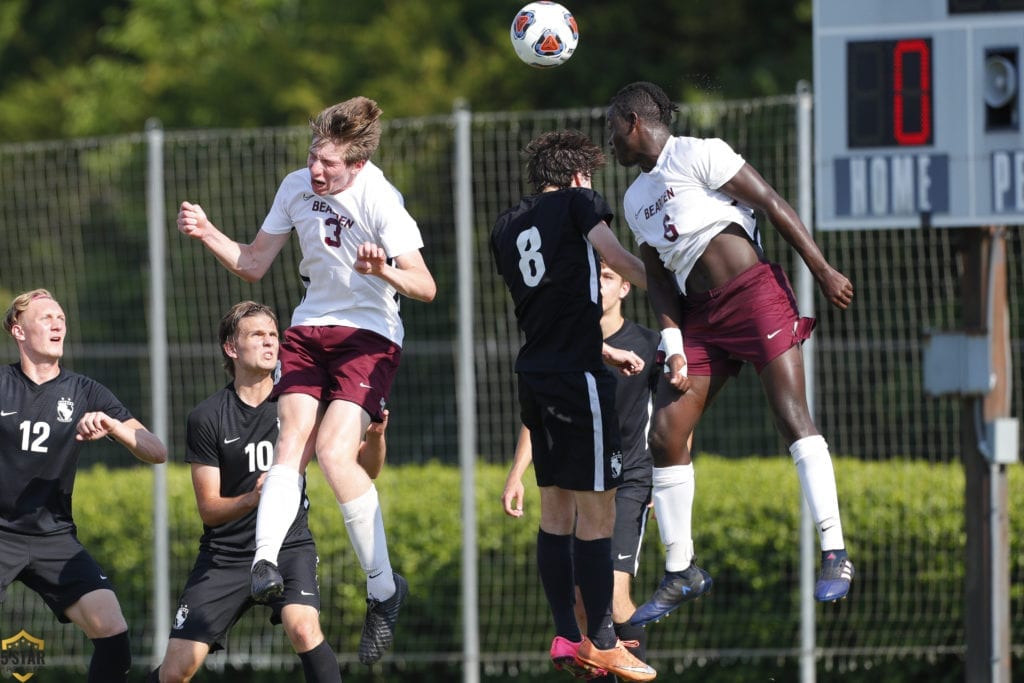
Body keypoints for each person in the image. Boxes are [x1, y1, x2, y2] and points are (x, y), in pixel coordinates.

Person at [177, 96, 436, 665]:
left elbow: (425, 285)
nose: (318, 170)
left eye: (331, 164)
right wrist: (207, 233)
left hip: (369, 336)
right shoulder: (296, 186)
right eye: (314, 157)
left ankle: (384, 591)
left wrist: (381, 269)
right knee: (291, 441)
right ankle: (263, 565)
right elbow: (252, 263)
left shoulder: (380, 199)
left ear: (358, 165)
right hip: (310, 329)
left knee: (334, 453)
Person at [605, 81, 855, 626]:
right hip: (701, 317)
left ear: (632, 121)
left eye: (612, 129)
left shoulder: (699, 152)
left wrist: (822, 268)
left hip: (755, 296)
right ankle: (681, 570)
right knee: (666, 432)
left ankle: (835, 550)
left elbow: (771, 203)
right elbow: (659, 278)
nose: (611, 144)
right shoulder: (633, 199)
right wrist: (672, 342)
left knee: (791, 417)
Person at [491, 129, 656, 682]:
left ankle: (566, 634)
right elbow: (613, 256)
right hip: (576, 380)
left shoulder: (506, 225)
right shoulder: (581, 201)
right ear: (581, 176)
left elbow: (552, 305)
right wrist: (675, 287)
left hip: (535, 373)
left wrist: (601, 349)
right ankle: (604, 640)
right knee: (599, 512)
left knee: (556, 512)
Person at [148, 301, 387, 682]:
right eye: (257, 335)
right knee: (177, 669)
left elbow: (367, 470)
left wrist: (375, 436)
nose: (270, 342)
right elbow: (209, 510)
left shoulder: (304, 405)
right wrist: (257, 496)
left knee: (304, 628)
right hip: (226, 555)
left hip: (290, 547)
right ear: (231, 348)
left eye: (274, 335)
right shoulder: (207, 417)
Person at [0, 288, 167, 683]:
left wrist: (115, 429)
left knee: (114, 634)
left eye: (60, 317)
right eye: (45, 317)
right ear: (17, 330)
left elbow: (156, 450)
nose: (58, 323)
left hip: (53, 536)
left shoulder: (85, 391)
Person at [501, 261, 661, 673]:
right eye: (596, 276)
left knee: (614, 595)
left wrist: (667, 485)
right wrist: (518, 472)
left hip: (628, 479)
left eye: (609, 277)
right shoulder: (568, 342)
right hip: (578, 476)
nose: (601, 285)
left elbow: (672, 422)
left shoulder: (648, 344)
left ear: (626, 287)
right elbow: (539, 415)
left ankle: (629, 660)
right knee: (581, 604)